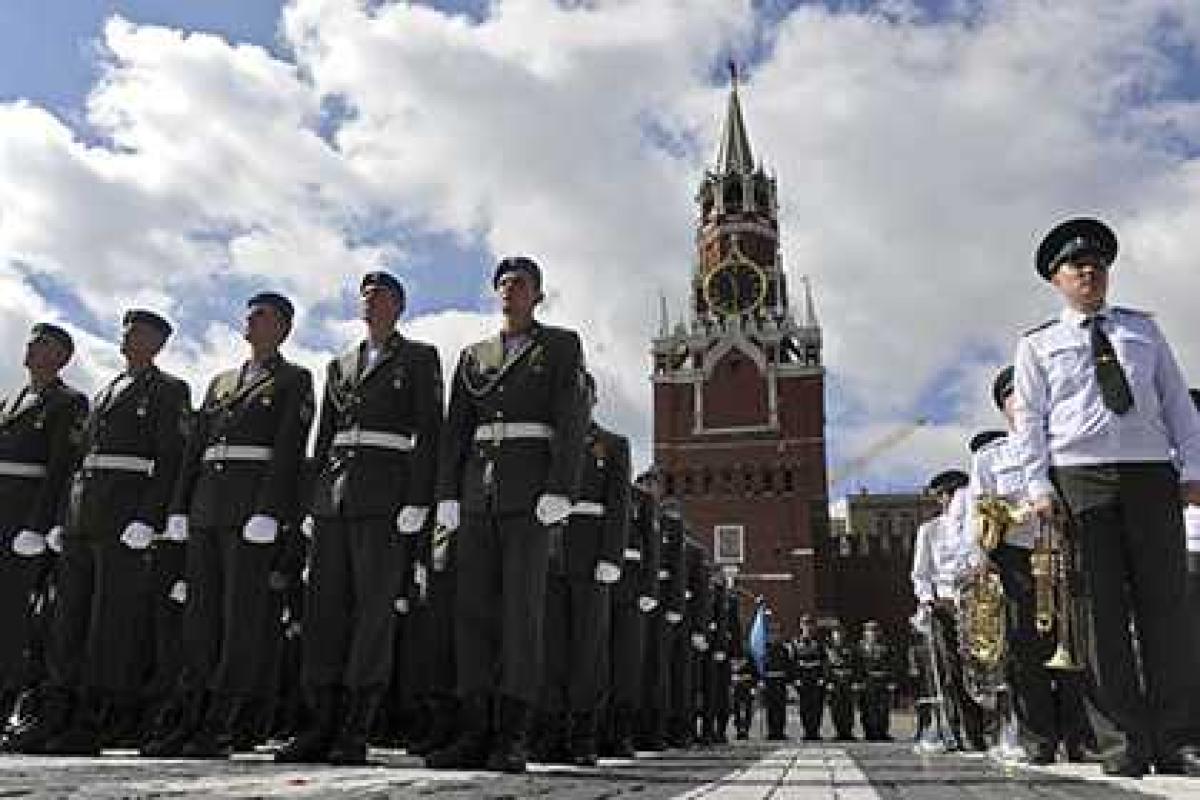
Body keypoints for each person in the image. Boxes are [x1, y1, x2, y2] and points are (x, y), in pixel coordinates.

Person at [1012, 217, 1200, 777]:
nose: (1088, 271)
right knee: (1100, 616)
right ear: (1056, 278)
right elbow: (1030, 424)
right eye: (1076, 265)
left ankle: (1177, 737)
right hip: (1079, 478)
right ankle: (1120, 741)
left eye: (1097, 263)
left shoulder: (1144, 333)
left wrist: (1193, 468)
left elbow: (1177, 404)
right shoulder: (1038, 345)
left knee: (1166, 608)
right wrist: (1038, 485)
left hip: (1149, 473)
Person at [427, 256, 588, 774]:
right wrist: (447, 494)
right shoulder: (475, 356)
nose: (509, 290)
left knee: (521, 616)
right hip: (478, 496)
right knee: (471, 614)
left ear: (537, 295)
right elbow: (456, 427)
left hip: (529, 497)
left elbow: (572, 414)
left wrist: (562, 485)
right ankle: (474, 729)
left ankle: (512, 735)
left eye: (520, 284)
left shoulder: (560, 346)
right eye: (502, 283)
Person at [277, 272, 441, 765]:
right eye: (366, 298)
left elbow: (430, 428)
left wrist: (418, 498)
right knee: (324, 609)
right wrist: (313, 503)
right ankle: (320, 721)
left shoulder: (418, 358)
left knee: (372, 612)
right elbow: (324, 438)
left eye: (383, 298)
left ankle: (356, 725)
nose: (372, 305)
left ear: (399, 307)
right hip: (334, 499)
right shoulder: (339, 364)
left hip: (385, 497)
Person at [142, 292, 314, 758]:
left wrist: (270, 510)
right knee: (200, 616)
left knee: (240, 618)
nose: (252, 321)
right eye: (250, 314)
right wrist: (179, 507)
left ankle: (223, 720)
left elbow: (288, 449)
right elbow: (195, 450)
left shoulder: (295, 379)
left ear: (283, 329)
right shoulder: (220, 383)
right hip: (206, 509)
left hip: (248, 513)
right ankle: (191, 712)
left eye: (263, 316)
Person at [34, 311, 190, 755]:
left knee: (110, 624)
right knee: (69, 620)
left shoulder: (167, 390)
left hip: (125, 520)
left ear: (158, 343)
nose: (127, 337)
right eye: (125, 330)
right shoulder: (105, 392)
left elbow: (170, 460)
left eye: (138, 332)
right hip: (84, 517)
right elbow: (80, 462)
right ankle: (58, 712)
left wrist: (149, 517)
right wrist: (65, 516)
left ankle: (94, 717)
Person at [966, 368, 1090, 764]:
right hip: (1018, 560)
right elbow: (979, 512)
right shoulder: (991, 457)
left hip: (1066, 554)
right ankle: (1038, 738)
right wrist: (984, 558)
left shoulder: (1066, 443)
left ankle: (1081, 735)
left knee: (1078, 644)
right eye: (1013, 397)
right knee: (1025, 650)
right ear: (1004, 407)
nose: (1022, 403)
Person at [0, 324, 88, 750]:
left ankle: (11, 703)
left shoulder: (68, 402)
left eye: (45, 344)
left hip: (25, 523)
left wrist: (40, 525)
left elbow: (61, 468)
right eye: (32, 340)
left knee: (16, 620)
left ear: (63, 358)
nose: (33, 347)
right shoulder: (11, 401)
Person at [539, 372, 630, 766]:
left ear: (593, 399)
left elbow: (620, 504)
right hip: (550, 555)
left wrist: (611, 556)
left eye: (581, 394)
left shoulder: (612, 444)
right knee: (552, 647)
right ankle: (551, 733)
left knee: (588, 650)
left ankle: (583, 735)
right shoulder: (549, 440)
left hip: (593, 557)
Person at [911, 469, 986, 751]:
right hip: (946, 608)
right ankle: (964, 732)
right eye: (947, 495)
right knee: (953, 672)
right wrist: (928, 600)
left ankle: (995, 727)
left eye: (956, 494)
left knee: (986, 669)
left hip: (979, 606)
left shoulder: (979, 524)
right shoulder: (929, 531)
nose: (951, 500)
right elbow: (921, 574)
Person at [857, 620, 894, 741]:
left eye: (875, 630)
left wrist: (891, 681)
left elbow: (892, 664)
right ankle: (869, 732)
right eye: (869, 630)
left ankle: (882, 732)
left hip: (882, 681)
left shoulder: (886, 645)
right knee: (867, 708)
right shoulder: (860, 647)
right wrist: (858, 681)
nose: (872, 633)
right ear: (865, 633)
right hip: (867, 682)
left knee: (883, 709)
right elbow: (857, 665)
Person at [791, 614, 826, 741]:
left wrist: (823, 677)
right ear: (801, 626)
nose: (808, 627)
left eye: (810, 624)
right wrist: (795, 678)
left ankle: (815, 731)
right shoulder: (795, 643)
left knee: (817, 707)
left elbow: (824, 662)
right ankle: (807, 731)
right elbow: (793, 663)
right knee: (804, 707)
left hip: (816, 680)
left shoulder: (820, 643)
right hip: (803, 679)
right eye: (805, 624)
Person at [825, 622, 858, 741]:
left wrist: (855, 681)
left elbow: (856, 666)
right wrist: (828, 681)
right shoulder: (828, 649)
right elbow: (826, 667)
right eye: (836, 633)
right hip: (835, 684)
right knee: (836, 709)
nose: (838, 635)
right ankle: (839, 732)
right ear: (832, 635)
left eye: (840, 633)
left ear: (844, 634)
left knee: (848, 709)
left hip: (848, 682)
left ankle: (848, 732)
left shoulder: (851, 648)